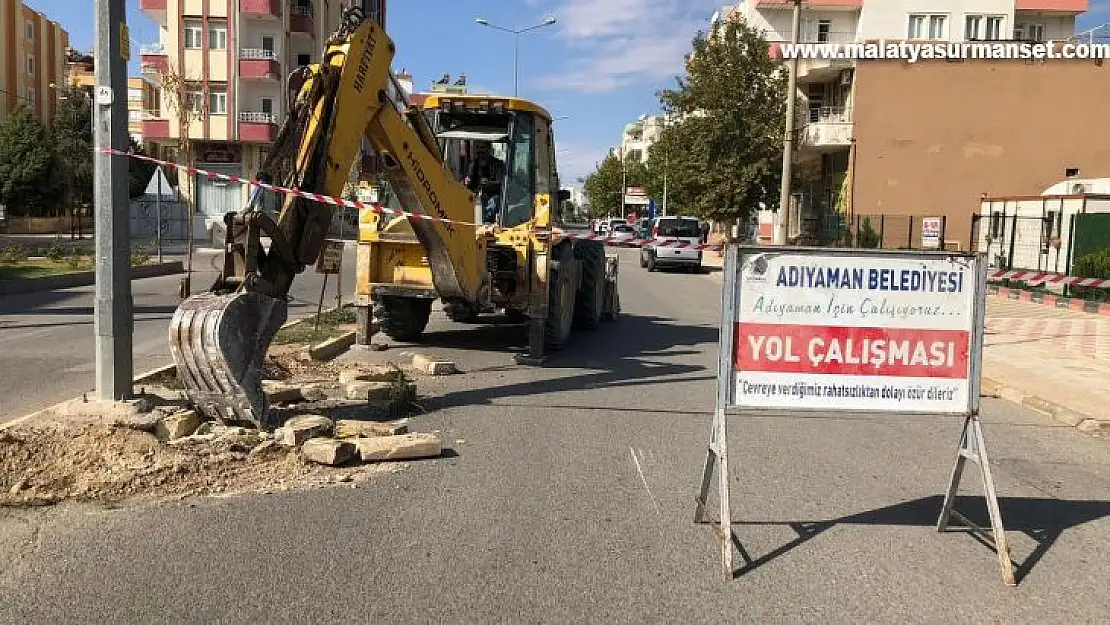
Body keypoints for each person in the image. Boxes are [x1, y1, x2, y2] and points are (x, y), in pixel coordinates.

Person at [464, 141, 505, 223]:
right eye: (478, 148)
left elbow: (502, 183)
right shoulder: (473, 164)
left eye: (482, 148)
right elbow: (471, 184)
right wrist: (467, 182)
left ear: (489, 149)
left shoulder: (498, 164)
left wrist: (488, 183)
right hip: (478, 198)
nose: (480, 151)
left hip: (493, 196)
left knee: (492, 205)